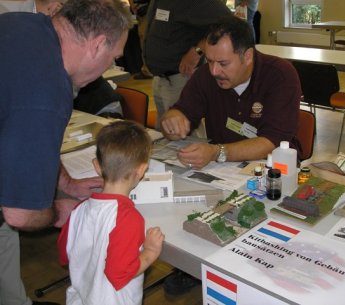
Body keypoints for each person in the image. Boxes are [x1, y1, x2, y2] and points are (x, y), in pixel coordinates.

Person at [0, 1, 132, 305]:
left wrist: (67, 183)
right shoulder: (47, 88)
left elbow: (26, 136)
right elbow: (20, 214)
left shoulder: (22, 25)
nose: (107, 68)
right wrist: (61, 212)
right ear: (98, 45)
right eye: (113, 58)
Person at [160, 15, 302, 170]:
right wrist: (172, 122)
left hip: (273, 169)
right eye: (209, 61)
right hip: (223, 169)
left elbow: (271, 143)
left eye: (223, 63)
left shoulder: (280, 75)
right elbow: (181, 112)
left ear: (247, 56)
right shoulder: (205, 75)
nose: (214, 71)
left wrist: (217, 152)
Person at [57, 120, 164, 305]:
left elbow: (64, 254)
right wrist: (150, 252)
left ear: (97, 166)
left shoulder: (79, 210)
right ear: (142, 169)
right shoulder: (129, 218)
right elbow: (120, 274)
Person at [143, 0, 232, 130]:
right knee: (165, 136)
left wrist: (198, 49)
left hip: (181, 78)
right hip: (160, 79)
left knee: (184, 137)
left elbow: (230, 23)